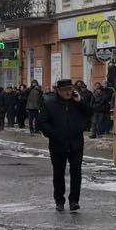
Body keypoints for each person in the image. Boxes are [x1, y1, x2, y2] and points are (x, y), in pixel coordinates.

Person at [39, 79, 93, 212]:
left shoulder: (77, 102)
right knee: (58, 173)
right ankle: (59, 200)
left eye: (70, 89)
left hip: (76, 143)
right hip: (57, 144)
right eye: (64, 90)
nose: (68, 92)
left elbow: (90, 112)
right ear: (58, 91)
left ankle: (74, 200)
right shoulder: (49, 103)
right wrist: (54, 135)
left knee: (76, 172)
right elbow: (42, 123)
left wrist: (80, 101)